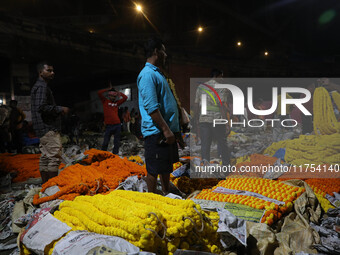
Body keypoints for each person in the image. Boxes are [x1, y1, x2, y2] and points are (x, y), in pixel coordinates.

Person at [137, 37, 180, 194]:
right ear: (156, 51)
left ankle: (166, 193)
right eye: (164, 51)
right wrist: (166, 130)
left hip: (165, 130)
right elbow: (152, 107)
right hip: (157, 132)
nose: (165, 55)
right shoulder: (147, 74)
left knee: (165, 167)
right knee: (154, 170)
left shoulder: (158, 73)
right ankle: (153, 198)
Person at [31, 61, 69, 184]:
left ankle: (45, 185)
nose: (52, 73)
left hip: (42, 128)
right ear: (40, 72)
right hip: (47, 128)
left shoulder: (39, 86)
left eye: (53, 70)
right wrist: (60, 109)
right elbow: (41, 107)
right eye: (49, 70)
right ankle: (51, 186)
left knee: (45, 157)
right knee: (54, 157)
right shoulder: (42, 87)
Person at [194, 68, 230, 166]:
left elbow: (196, 105)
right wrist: (226, 122)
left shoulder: (201, 87)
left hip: (203, 120)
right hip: (217, 119)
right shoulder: (221, 87)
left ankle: (205, 168)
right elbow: (221, 105)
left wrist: (196, 120)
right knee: (222, 143)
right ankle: (226, 167)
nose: (222, 79)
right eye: (221, 76)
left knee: (205, 144)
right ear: (217, 76)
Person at [97, 86, 127, 154]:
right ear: (109, 95)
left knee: (116, 142)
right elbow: (99, 93)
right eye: (111, 96)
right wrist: (107, 89)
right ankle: (103, 154)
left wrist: (118, 92)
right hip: (109, 126)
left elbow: (125, 98)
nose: (113, 98)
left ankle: (115, 155)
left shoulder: (116, 103)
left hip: (117, 125)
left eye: (114, 96)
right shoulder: (105, 101)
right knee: (106, 141)